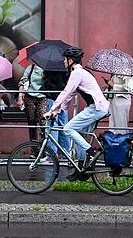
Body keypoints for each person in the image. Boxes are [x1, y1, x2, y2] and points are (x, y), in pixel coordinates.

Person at [43, 47, 110, 181]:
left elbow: (66, 92)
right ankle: (81, 169)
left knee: (68, 128)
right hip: (96, 108)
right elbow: (70, 96)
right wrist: (57, 110)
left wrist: (51, 109)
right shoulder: (78, 73)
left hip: (96, 108)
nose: (63, 62)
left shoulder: (77, 73)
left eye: (65, 59)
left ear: (71, 60)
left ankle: (91, 151)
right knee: (77, 135)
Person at [16, 64, 47, 142]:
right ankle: (34, 149)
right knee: (31, 122)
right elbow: (22, 82)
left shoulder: (47, 68)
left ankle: (44, 147)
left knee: (43, 122)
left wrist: (46, 75)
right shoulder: (31, 68)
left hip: (43, 97)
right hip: (30, 97)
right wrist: (20, 98)